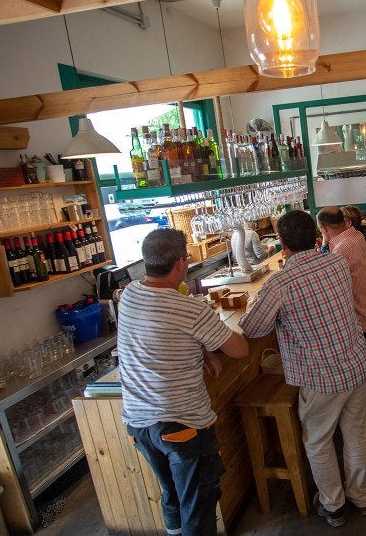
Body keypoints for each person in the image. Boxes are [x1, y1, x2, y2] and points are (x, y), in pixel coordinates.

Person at [239, 210, 366, 528]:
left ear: (282, 244)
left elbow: (252, 328)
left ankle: (334, 505)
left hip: (321, 376)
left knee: (318, 441)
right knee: (356, 434)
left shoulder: (280, 284)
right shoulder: (336, 262)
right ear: (316, 236)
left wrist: (252, 303)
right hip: (355, 364)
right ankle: (361, 496)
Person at [118, 228, 250, 536]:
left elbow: (158, 334)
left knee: (172, 497)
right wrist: (207, 346)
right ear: (180, 263)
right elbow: (240, 350)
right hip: (182, 426)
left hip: (140, 427)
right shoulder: (191, 309)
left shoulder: (129, 295)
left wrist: (201, 349)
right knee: (198, 507)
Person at [317, 206, 366, 434]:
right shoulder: (354, 235)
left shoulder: (341, 250)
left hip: (363, 317)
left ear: (323, 227)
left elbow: (328, 284)